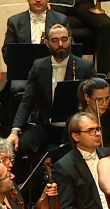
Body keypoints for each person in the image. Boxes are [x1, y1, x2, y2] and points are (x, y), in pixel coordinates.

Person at [7, 24, 97, 160]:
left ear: (70, 40)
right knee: (14, 148)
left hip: (74, 128)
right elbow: (27, 101)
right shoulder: (38, 66)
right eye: (55, 40)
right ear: (47, 43)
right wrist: (15, 131)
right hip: (46, 126)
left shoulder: (85, 67)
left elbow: (93, 101)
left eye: (64, 39)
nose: (60, 44)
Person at [1, 0, 71, 127]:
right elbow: (7, 51)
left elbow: (69, 48)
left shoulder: (61, 19)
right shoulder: (14, 21)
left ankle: (61, 127)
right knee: (17, 87)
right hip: (24, 73)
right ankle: (17, 128)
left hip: (56, 69)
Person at [38, 0, 110, 74]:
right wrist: (44, 1)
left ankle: (103, 74)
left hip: (82, 2)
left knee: (106, 25)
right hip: (57, 2)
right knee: (53, 27)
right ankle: (54, 72)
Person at [77, 78, 110, 145]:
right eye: (99, 99)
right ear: (87, 97)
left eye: (107, 98)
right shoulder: (76, 121)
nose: (105, 103)